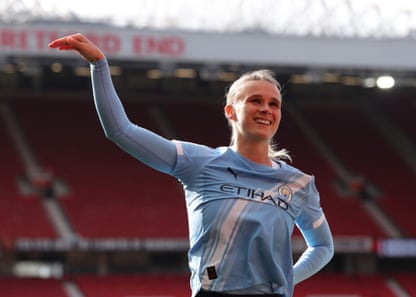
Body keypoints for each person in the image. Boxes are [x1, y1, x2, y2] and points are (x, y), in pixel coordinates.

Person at [49, 33, 334, 297]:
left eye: (274, 104)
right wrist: (99, 65)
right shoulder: (199, 163)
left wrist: (288, 278)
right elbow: (120, 130)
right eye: (255, 100)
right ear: (230, 111)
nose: (266, 109)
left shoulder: (298, 184)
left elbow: (323, 246)